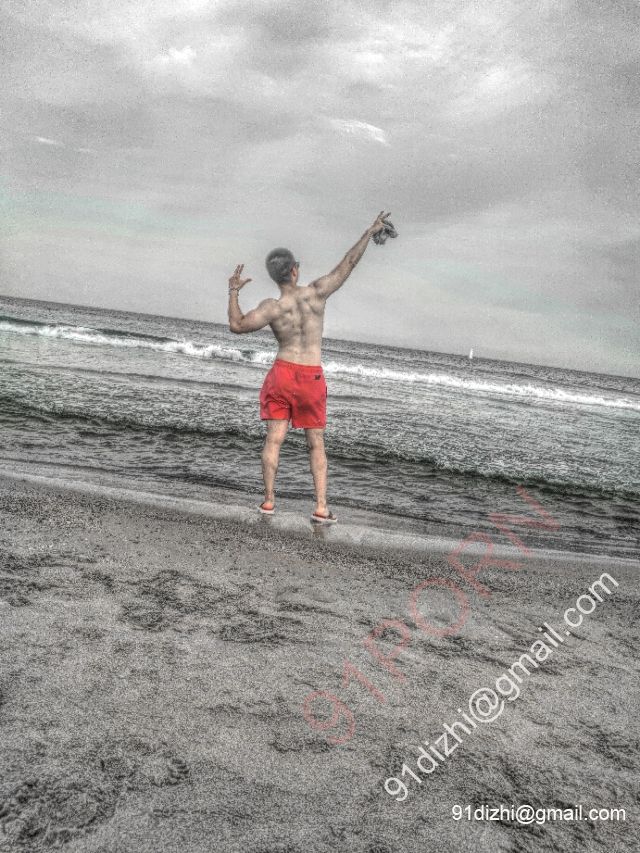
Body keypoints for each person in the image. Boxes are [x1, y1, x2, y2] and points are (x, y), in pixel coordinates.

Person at [227, 210, 391, 524]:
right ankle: (320, 507)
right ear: (294, 271)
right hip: (310, 377)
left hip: (281, 374)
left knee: (274, 439)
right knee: (316, 443)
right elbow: (348, 263)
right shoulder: (316, 293)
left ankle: (269, 501)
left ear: (275, 276)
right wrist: (369, 232)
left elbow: (237, 325)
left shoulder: (272, 307)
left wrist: (233, 290)